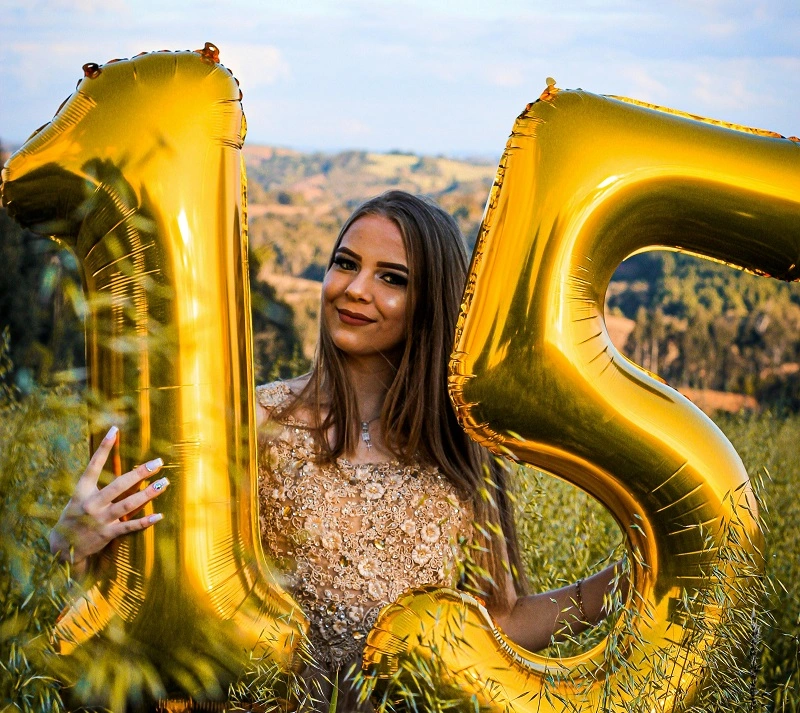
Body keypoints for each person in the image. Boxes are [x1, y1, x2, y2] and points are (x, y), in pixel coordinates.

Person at [50, 191, 626, 711]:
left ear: (431, 302)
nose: (355, 288)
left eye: (392, 278)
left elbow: (494, 618)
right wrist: (73, 543)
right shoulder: (250, 422)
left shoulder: (464, 446)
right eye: (345, 264)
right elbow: (163, 595)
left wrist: (631, 579)